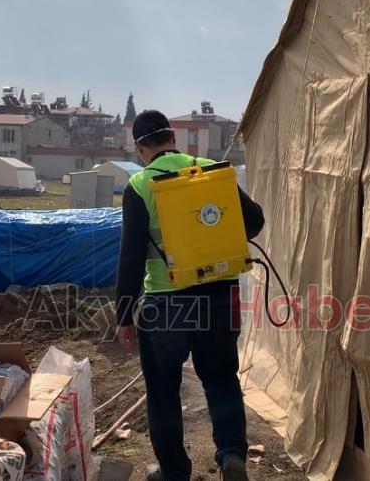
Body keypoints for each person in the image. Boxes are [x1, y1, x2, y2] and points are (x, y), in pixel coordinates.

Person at [115, 110, 265, 481]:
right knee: (221, 378)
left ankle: (173, 473)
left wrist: (124, 315)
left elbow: (131, 258)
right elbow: (255, 221)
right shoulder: (211, 170)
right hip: (220, 297)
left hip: (165, 306)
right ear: (173, 139)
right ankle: (231, 454)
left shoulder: (139, 186)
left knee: (164, 390)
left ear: (139, 148)